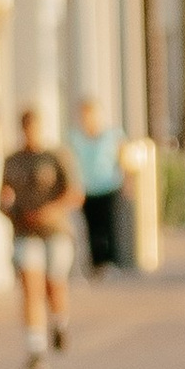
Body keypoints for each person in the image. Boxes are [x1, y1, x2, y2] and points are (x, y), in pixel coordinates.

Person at [0, 106, 82, 369]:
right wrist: (11, 210)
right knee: (30, 288)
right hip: (26, 231)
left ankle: (59, 322)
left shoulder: (54, 157)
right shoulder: (12, 161)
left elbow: (74, 193)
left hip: (55, 232)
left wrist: (51, 211)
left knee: (53, 285)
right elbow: (1, 196)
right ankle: (35, 348)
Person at [66, 98, 125, 276]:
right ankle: (96, 263)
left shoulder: (112, 135)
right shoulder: (74, 138)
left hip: (109, 185)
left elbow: (122, 157)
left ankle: (112, 262)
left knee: (110, 225)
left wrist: (127, 181)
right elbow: (71, 164)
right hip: (87, 189)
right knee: (92, 227)